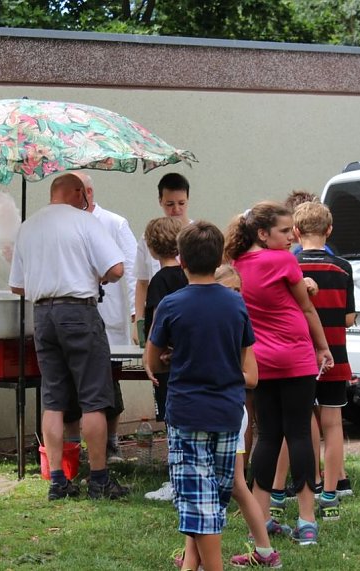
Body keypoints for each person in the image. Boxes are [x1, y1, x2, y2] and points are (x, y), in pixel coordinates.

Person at [8, 173, 129, 501]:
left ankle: (58, 479)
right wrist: (95, 273)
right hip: (78, 312)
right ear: (77, 193)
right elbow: (117, 268)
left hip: (43, 316)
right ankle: (100, 479)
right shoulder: (85, 222)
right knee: (93, 397)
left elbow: (17, 286)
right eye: (85, 195)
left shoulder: (28, 227)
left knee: (53, 397)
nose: (87, 200)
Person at [145, 221, 257, 571]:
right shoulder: (237, 305)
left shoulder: (171, 304)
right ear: (219, 258)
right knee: (212, 498)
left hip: (188, 414)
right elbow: (246, 362)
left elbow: (152, 361)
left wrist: (169, 356)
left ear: (182, 261)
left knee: (200, 500)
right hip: (228, 414)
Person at [225, 201, 333, 546]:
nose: (291, 237)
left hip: (260, 364)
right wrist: (323, 347)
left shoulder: (236, 266)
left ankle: (261, 517)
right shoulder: (285, 260)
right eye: (285, 232)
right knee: (300, 434)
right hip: (296, 358)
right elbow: (306, 307)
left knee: (267, 435)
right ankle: (307, 520)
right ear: (262, 233)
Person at [62, 172, 138, 463]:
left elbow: (130, 268)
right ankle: (73, 448)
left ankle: (112, 444)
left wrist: (135, 314)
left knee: (107, 383)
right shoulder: (63, 225)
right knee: (71, 383)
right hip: (74, 317)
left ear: (86, 193)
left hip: (107, 317)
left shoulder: (114, 223)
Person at [215, 264, 282, 569]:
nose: (235, 297)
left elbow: (252, 377)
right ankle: (264, 552)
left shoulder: (241, 326)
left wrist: (215, 372)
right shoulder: (209, 323)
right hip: (215, 410)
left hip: (229, 412)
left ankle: (265, 551)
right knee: (215, 487)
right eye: (229, 291)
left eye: (239, 292)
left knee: (235, 485)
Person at [293, 201, 355, 520]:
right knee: (333, 426)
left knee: (306, 422)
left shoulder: (289, 266)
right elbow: (348, 319)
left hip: (300, 358)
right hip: (336, 357)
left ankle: (312, 483)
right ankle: (331, 494)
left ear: (295, 231)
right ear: (329, 231)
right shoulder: (343, 268)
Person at [141, 216, 188, 503]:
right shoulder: (187, 275)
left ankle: (175, 481)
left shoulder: (160, 281)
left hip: (167, 361)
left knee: (172, 423)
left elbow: (160, 319)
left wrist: (152, 355)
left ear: (151, 248)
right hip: (187, 356)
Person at [134, 172, 191, 342]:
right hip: (158, 309)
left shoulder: (197, 234)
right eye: (169, 204)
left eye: (181, 203)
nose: (176, 210)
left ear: (188, 199)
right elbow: (142, 282)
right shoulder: (149, 237)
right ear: (160, 201)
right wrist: (138, 321)